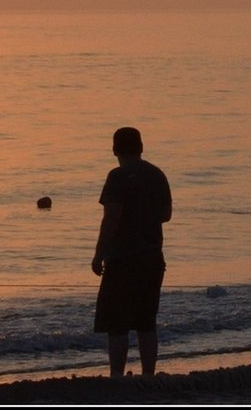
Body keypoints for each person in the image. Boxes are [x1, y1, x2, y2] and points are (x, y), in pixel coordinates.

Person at [91, 126, 172, 377]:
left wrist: (98, 253)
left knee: (117, 323)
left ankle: (116, 376)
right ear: (141, 147)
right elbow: (166, 215)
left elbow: (111, 218)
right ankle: (149, 375)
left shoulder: (117, 176)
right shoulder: (157, 174)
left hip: (123, 259)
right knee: (147, 322)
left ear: (115, 149)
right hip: (152, 258)